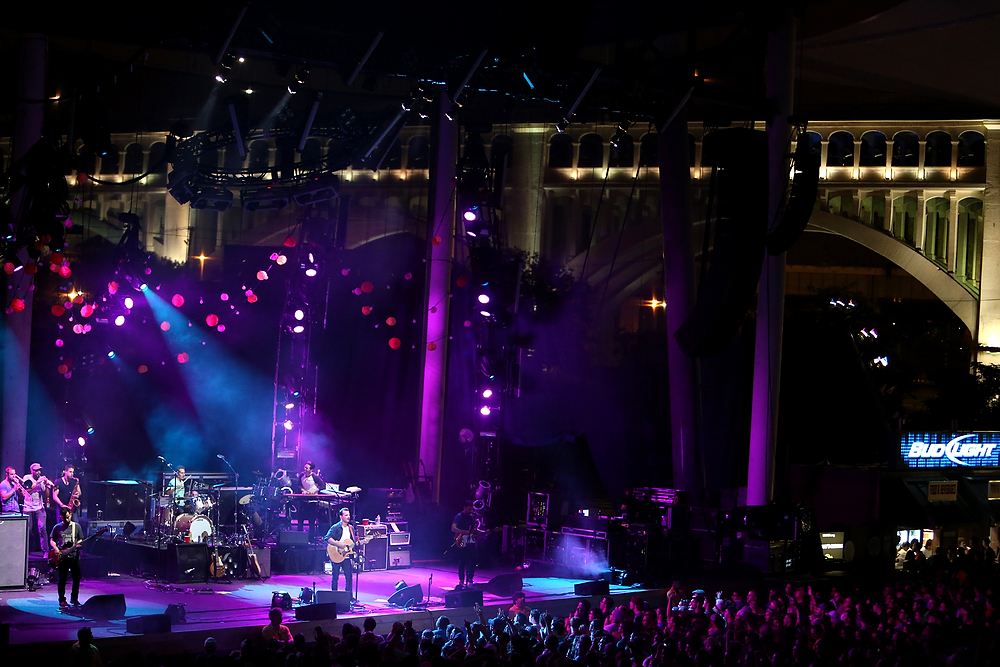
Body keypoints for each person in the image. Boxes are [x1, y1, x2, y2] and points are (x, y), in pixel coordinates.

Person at [50, 507, 83, 607]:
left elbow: (80, 539)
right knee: (62, 579)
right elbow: (52, 540)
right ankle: (62, 600)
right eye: (64, 518)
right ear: (61, 517)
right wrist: (56, 548)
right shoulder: (57, 527)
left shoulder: (76, 526)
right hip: (62, 556)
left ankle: (74, 599)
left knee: (76, 578)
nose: (66, 519)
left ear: (71, 515)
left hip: (74, 556)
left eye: (68, 517)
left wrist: (78, 544)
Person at [325, 507, 357, 597]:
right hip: (336, 554)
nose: (348, 517)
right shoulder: (336, 527)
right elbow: (327, 538)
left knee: (349, 577)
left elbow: (353, 542)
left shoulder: (351, 528)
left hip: (346, 556)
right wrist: (338, 544)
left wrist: (361, 542)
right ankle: (334, 596)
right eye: (346, 515)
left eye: (349, 515)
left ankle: (348, 597)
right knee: (335, 577)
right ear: (341, 517)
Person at [23, 463, 51, 553]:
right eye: (36, 470)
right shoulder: (27, 478)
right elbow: (26, 491)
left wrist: (46, 485)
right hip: (28, 507)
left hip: (39, 507)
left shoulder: (41, 479)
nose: (38, 472)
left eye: (39, 470)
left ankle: (45, 551)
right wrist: (37, 483)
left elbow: (46, 495)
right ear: (32, 471)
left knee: (42, 528)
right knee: (28, 530)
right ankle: (24, 551)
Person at [451, 501, 478, 589]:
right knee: (462, 560)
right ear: (464, 507)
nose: (470, 511)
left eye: (471, 509)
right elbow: (453, 528)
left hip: (469, 539)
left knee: (473, 559)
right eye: (468, 509)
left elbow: (473, 530)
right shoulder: (459, 516)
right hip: (461, 538)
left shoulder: (472, 517)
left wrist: (483, 532)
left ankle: (470, 578)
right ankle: (461, 580)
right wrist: (464, 532)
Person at [296, 461, 324, 538]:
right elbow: (298, 485)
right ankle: (299, 537)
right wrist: (303, 490)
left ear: (311, 470)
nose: (305, 469)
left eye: (307, 468)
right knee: (300, 519)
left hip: (313, 501)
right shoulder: (301, 475)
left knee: (311, 521)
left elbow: (322, 485)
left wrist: (314, 490)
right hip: (304, 500)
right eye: (304, 467)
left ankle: (311, 538)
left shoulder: (315, 477)